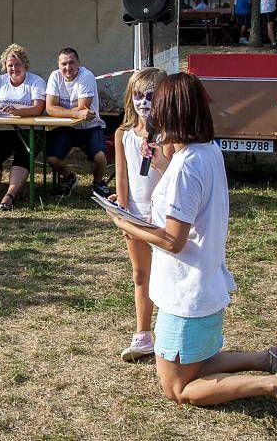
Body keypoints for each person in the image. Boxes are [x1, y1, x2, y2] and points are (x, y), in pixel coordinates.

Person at [108, 73, 277, 425]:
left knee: (176, 389)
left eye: (158, 105)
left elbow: (173, 239)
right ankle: (270, 357)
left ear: (173, 113)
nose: (150, 112)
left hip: (187, 294)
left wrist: (127, 224)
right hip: (205, 282)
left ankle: (275, 384)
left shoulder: (187, 165)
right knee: (195, 363)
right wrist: (160, 164)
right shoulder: (207, 151)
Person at [110, 68, 169, 361]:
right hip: (135, 216)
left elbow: (174, 174)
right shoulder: (123, 134)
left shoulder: (170, 134)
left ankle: (171, 334)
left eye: (150, 96)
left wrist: (158, 158)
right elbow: (122, 177)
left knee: (168, 275)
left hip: (165, 217)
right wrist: (122, 210)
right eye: (137, 95)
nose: (143, 102)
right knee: (140, 273)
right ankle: (143, 335)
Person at [0, 44, 46, 210]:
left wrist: (19, 111)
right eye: (10, 65)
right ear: (4, 67)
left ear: (25, 65)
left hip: (28, 130)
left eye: (17, 64)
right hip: (1, 129)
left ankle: (10, 195)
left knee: (23, 156)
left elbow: (38, 108)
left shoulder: (36, 81)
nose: (14, 68)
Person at [46, 48, 109, 197]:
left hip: (90, 126)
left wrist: (60, 110)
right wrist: (75, 113)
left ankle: (98, 183)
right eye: (64, 64)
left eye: (71, 62)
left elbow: (84, 107)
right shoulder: (55, 76)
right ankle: (69, 178)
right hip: (66, 127)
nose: (68, 67)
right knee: (51, 157)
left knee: (100, 157)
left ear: (78, 63)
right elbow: (49, 108)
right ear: (58, 65)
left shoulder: (86, 76)